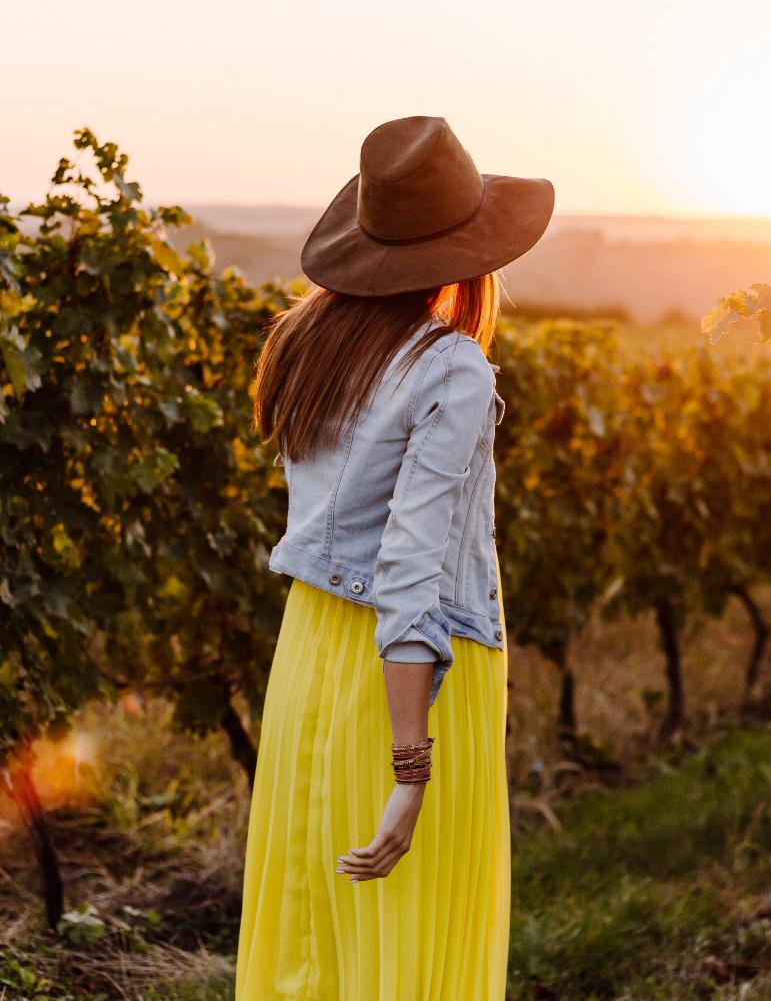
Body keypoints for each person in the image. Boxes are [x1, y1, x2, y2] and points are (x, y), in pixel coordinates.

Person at [234, 115, 555, 999]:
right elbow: (409, 571)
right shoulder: (450, 368)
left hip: (309, 659)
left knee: (314, 935)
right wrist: (410, 767)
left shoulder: (308, 347)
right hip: (412, 677)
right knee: (402, 944)